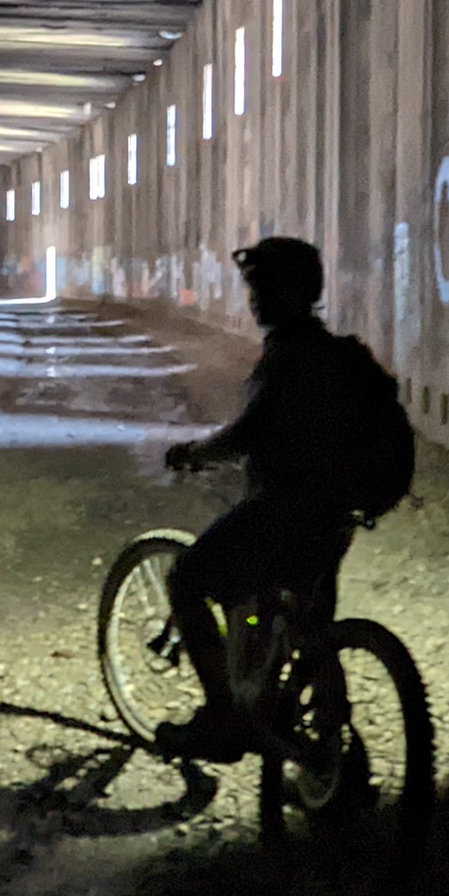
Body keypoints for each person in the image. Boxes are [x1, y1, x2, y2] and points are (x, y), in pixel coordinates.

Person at [155, 236, 364, 762]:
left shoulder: (290, 357)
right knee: (308, 627)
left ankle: (222, 720)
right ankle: (330, 737)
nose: (256, 300)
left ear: (297, 293)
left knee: (187, 579)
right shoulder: (335, 353)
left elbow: (251, 431)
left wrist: (197, 454)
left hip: (282, 514)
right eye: (254, 289)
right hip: (336, 516)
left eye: (266, 289)